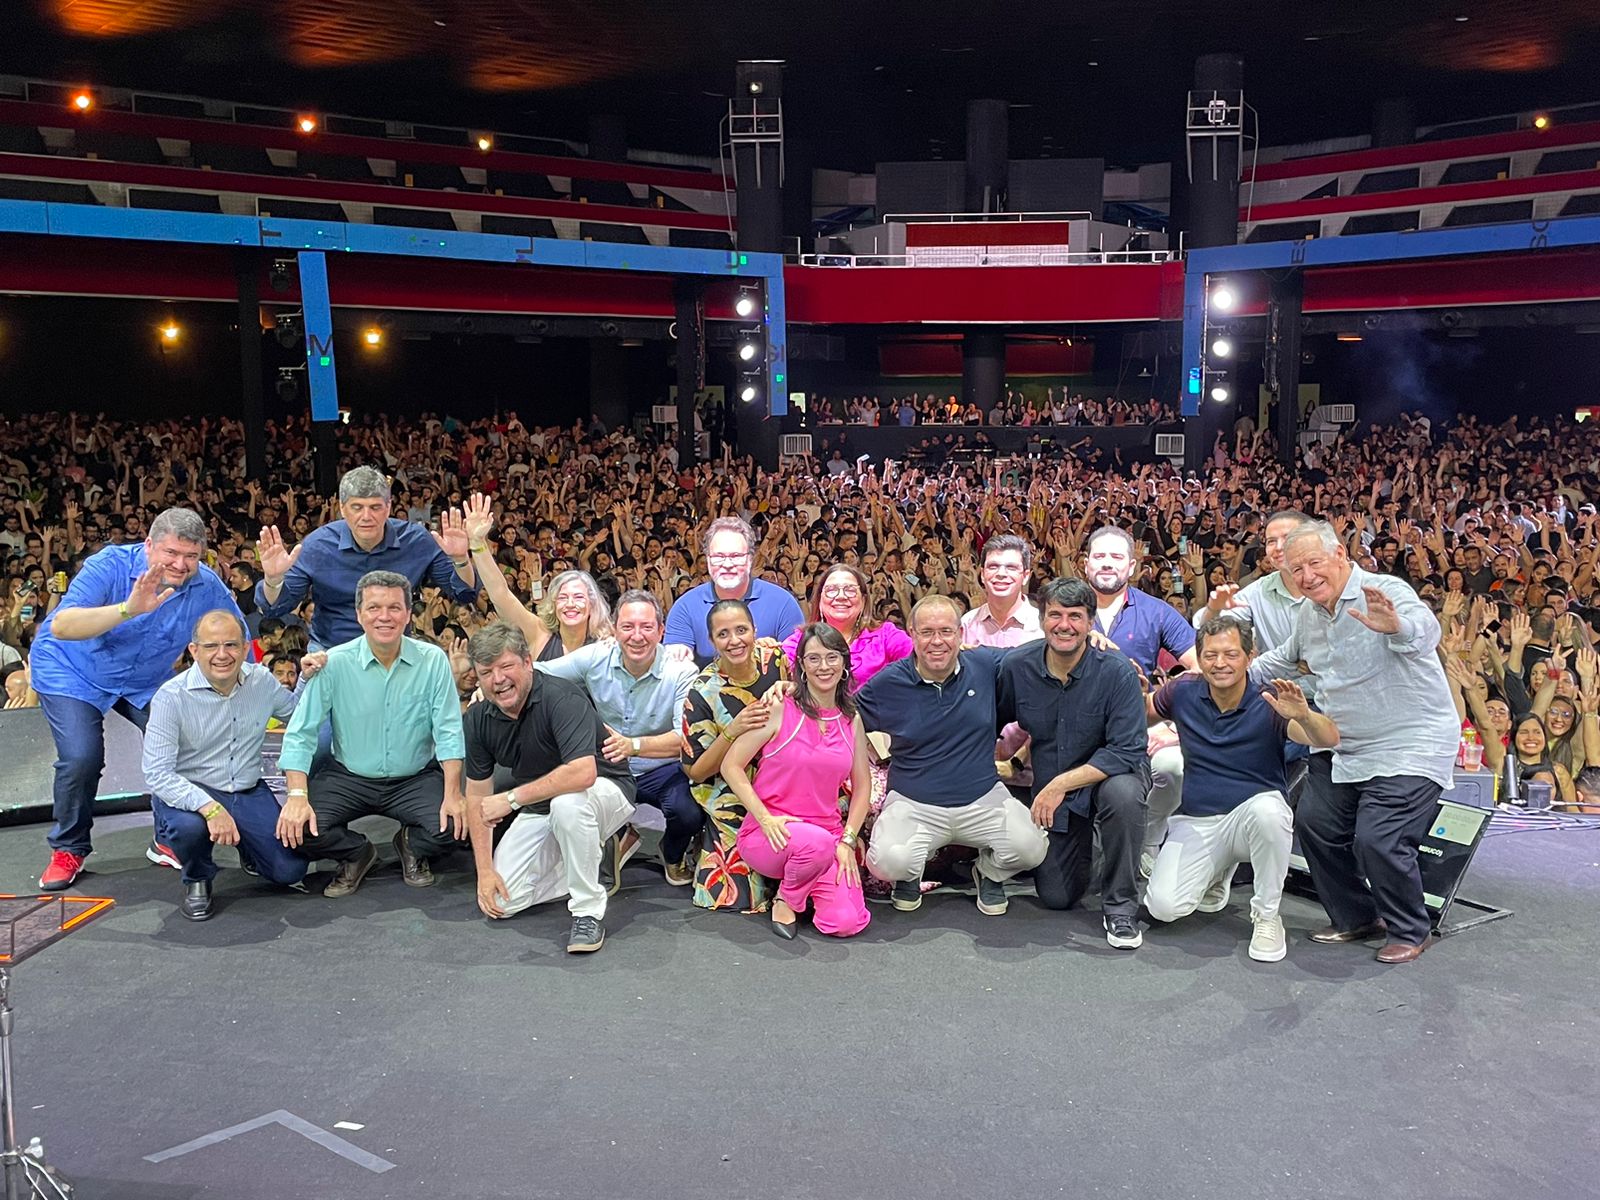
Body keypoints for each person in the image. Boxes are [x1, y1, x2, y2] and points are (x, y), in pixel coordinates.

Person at [1249, 521, 1459, 964]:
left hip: (1409, 742)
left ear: (1341, 554)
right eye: (1297, 569)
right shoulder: (1309, 615)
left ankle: (1409, 928)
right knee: (1315, 824)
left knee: (1378, 838)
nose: (1307, 576)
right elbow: (1281, 659)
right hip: (1343, 744)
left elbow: (1425, 631)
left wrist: (1397, 627)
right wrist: (1226, 674)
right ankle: (1357, 916)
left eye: (1314, 563)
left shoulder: (1384, 591)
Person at [28, 507, 244, 890]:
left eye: (191, 556)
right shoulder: (109, 565)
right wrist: (128, 609)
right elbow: (61, 625)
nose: (181, 564)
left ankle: (168, 837)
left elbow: (238, 635)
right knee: (81, 756)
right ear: (148, 545)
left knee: (184, 743)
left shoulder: (206, 584)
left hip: (143, 677)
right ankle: (68, 848)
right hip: (72, 668)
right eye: (171, 553)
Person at [1145, 619, 1341, 962]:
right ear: (1200, 658)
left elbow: (1328, 738)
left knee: (1269, 812)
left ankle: (1267, 915)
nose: (1220, 663)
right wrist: (1128, 689)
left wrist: (1305, 716)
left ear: (1250, 656)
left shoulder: (1270, 699)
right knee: (1163, 907)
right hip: (1198, 820)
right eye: (1211, 655)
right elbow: (1142, 711)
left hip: (1253, 817)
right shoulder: (1182, 691)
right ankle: (1218, 871)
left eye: (1231, 654)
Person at [275, 570, 469, 897]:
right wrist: (296, 796)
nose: (384, 616)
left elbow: (449, 730)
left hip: (414, 778)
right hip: (348, 776)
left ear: (408, 614)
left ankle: (410, 844)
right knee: (298, 828)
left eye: (394, 608)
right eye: (374, 608)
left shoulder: (433, 661)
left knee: (456, 826)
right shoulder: (334, 663)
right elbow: (300, 733)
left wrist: (453, 793)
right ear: (359, 614)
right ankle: (357, 852)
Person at [856, 595, 1048, 916]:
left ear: (960, 634)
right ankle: (908, 874)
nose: (937, 641)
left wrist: (1092, 640)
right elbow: (841, 714)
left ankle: (988, 873)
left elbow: (1036, 652)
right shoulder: (888, 683)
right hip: (914, 802)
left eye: (946, 631)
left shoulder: (985, 665)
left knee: (1031, 848)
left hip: (983, 797)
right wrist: (793, 692)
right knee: (887, 862)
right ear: (912, 635)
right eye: (927, 632)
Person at [462, 622, 638, 953]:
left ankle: (587, 911)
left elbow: (582, 774)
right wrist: (484, 871)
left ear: (528, 662)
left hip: (606, 789)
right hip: (542, 803)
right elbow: (477, 797)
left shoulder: (563, 697)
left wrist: (511, 799)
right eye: (486, 672)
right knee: (502, 901)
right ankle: (593, 854)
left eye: (506, 666)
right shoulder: (477, 720)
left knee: (567, 805)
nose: (498, 679)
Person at [995, 578, 1150, 949]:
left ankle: (1120, 907)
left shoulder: (1116, 671)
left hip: (1110, 776)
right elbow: (988, 717)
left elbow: (1127, 750)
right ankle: (1097, 852)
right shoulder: (1017, 666)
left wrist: (1060, 784)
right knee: (1057, 896)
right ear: (1042, 619)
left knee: (1124, 796)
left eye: (1075, 616)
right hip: (1057, 789)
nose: (1064, 625)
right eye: (1056, 615)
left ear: (1091, 622)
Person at [141, 610, 310, 920]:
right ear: (194, 651)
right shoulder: (171, 697)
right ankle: (197, 878)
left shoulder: (261, 680)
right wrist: (210, 808)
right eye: (211, 646)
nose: (222, 654)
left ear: (245, 648)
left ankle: (247, 843)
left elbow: (295, 713)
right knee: (189, 828)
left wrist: (308, 678)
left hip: (246, 788)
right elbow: (157, 773)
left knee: (289, 871)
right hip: (193, 791)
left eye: (231, 645)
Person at [536, 590, 701, 884]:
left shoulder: (682, 672)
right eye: (627, 626)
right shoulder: (596, 656)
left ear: (661, 631)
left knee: (687, 812)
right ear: (614, 629)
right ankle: (618, 833)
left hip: (660, 769)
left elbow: (683, 739)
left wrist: (632, 746)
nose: (637, 636)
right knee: (564, 795)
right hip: (609, 767)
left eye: (646, 627)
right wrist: (494, 683)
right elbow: (541, 673)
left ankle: (672, 855)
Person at [722, 622, 873, 939]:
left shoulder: (851, 719)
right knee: (815, 845)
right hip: (770, 832)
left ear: (844, 663)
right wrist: (764, 819)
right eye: (813, 658)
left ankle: (808, 880)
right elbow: (731, 766)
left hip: (828, 837)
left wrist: (847, 840)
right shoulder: (780, 707)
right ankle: (787, 897)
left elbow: (862, 786)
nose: (824, 666)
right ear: (801, 665)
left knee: (845, 922)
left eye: (832, 657)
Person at [254, 465, 479, 650]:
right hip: (331, 650)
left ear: (388, 507)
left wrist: (461, 559)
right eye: (357, 507)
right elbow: (275, 608)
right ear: (342, 509)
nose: (366, 516)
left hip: (395, 649)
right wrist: (273, 579)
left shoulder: (416, 540)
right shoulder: (317, 546)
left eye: (375, 507)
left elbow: (464, 592)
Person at [1083, 525, 1197, 871]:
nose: (1107, 563)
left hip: (1136, 726)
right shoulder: (1065, 608)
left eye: (1116, 557)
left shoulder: (1156, 611)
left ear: (1131, 566)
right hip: (1073, 727)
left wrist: (1171, 725)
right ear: (1085, 563)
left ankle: (1149, 836)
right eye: (1099, 556)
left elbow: (1202, 669)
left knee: (1174, 766)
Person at [680, 599, 787, 913]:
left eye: (741, 630)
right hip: (730, 790)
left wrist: (791, 687)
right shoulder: (702, 692)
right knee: (732, 896)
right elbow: (696, 771)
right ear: (711, 641)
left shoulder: (777, 658)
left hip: (784, 776)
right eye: (723, 634)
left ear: (755, 630)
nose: (734, 640)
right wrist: (731, 731)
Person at [461, 493, 610, 660]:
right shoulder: (539, 634)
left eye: (578, 597)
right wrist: (477, 543)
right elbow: (500, 593)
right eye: (562, 597)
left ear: (592, 603)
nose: (570, 604)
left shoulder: (608, 645)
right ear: (553, 604)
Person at [663, 516, 804, 667]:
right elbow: (674, 669)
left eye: (736, 556)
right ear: (708, 559)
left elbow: (796, 665)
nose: (727, 564)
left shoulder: (783, 602)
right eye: (718, 556)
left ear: (750, 559)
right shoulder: (685, 607)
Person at [780, 564, 912, 685]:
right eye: (831, 590)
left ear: (863, 600)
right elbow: (776, 665)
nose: (841, 596)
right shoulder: (800, 640)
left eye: (850, 590)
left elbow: (918, 663)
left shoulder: (886, 635)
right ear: (819, 599)